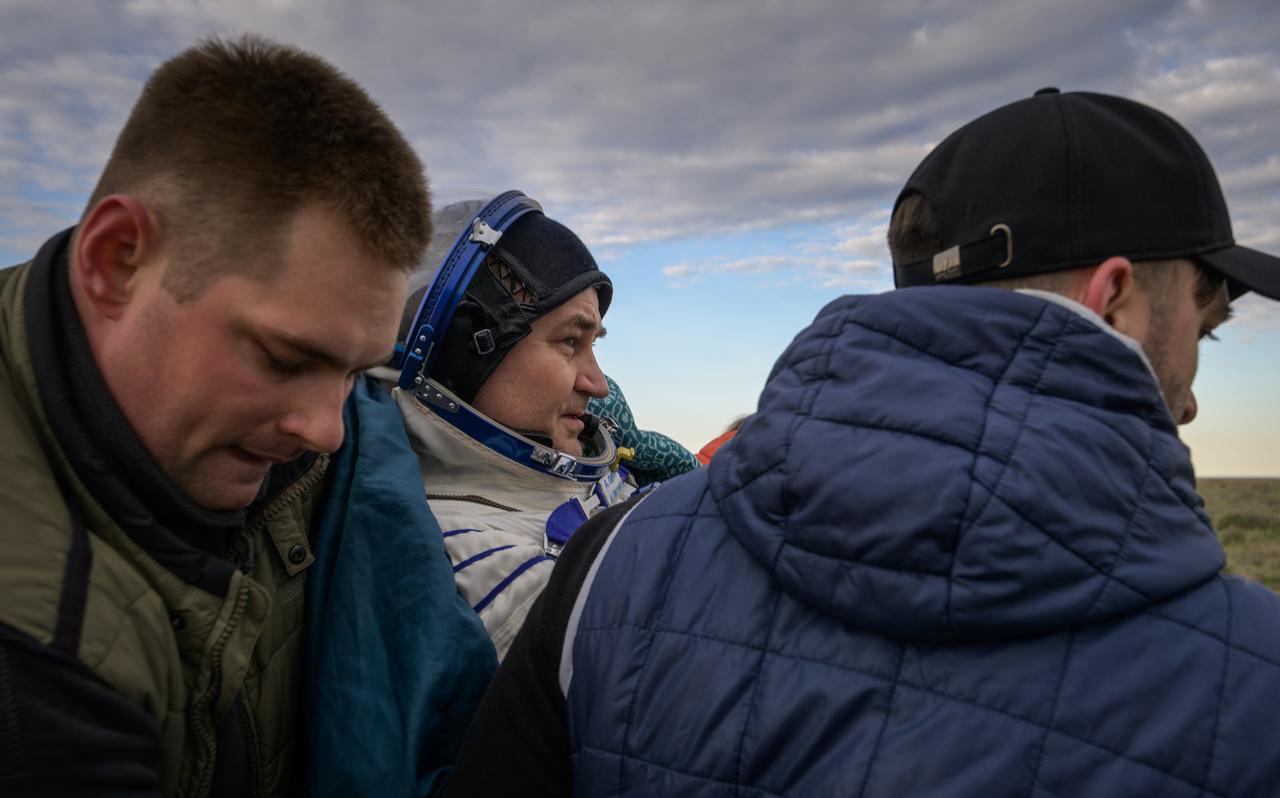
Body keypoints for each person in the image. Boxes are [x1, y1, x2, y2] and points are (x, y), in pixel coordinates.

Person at [443, 90, 1280, 796]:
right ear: (1115, 300)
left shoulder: (611, 566)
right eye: (1200, 333)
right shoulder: (1254, 684)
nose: (1195, 403)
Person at [0, 35, 432, 796]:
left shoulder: (272, 442)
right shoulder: (37, 660)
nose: (328, 429)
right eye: (284, 359)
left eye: (356, 375)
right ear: (117, 261)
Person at [375, 192, 637, 660]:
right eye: (570, 341)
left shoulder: (526, 492)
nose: (598, 383)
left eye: (594, 343)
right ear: (468, 347)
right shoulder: (481, 569)